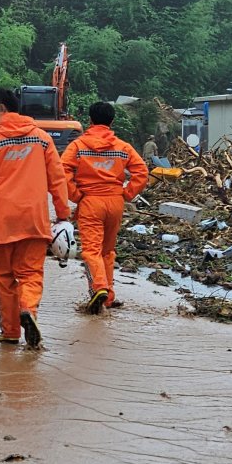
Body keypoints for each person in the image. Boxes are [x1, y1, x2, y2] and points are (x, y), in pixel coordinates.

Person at [0, 88, 70, 349]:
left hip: (2, 221)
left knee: (4, 277)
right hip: (34, 219)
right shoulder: (42, 139)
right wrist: (63, 213)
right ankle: (29, 309)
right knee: (31, 273)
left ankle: (10, 332)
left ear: (1, 109)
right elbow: (57, 180)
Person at [61, 101, 148, 314]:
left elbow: (61, 172)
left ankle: (99, 287)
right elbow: (142, 173)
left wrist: (76, 196)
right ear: (112, 121)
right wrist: (126, 194)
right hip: (115, 202)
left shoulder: (78, 146)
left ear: (89, 120)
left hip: (91, 202)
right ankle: (108, 297)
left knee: (91, 250)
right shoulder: (123, 147)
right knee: (107, 251)